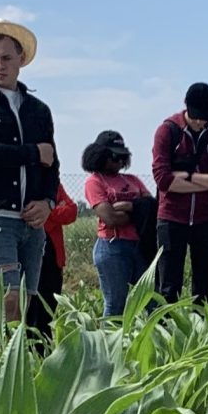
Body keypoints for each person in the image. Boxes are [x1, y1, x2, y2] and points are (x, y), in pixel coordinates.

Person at [0, 19, 60, 324]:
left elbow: (52, 163)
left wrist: (48, 202)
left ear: (21, 59)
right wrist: (33, 152)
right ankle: (2, 354)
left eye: (6, 58)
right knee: (8, 299)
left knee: (27, 300)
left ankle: (18, 352)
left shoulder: (38, 109)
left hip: (32, 218)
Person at [151, 83, 208, 305]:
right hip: (172, 218)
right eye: (196, 117)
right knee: (168, 287)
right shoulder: (167, 131)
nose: (200, 122)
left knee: (205, 290)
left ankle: (201, 327)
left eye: (205, 118)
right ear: (186, 106)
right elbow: (163, 180)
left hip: (207, 219)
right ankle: (165, 327)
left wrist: (188, 176)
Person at [83, 131, 149, 317]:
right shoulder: (94, 182)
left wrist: (130, 207)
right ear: (100, 156)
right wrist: (138, 212)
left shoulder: (133, 180)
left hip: (139, 246)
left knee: (150, 300)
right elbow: (110, 218)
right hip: (112, 247)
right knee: (116, 304)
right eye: (114, 156)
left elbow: (151, 208)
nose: (119, 161)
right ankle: (110, 336)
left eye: (122, 157)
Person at [27, 179, 78, 343]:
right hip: (28, 255)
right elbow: (25, 215)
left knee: (48, 312)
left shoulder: (52, 184)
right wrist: (52, 208)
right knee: (29, 313)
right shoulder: (22, 182)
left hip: (52, 257)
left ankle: (45, 352)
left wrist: (46, 213)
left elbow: (71, 211)